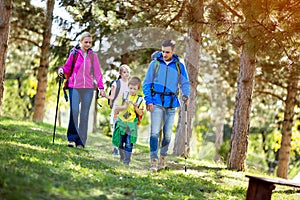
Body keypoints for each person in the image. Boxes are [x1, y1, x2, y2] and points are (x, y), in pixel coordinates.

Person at [142, 39, 190, 172]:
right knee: (154, 132)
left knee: (167, 134)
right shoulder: (155, 63)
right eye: (163, 51)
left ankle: (163, 157)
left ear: (173, 52)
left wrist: (186, 95)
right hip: (156, 101)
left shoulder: (179, 65)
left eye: (167, 52)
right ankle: (153, 161)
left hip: (171, 103)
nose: (164, 54)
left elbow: (185, 83)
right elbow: (147, 83)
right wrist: (149, 100)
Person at [58, 31, 105, 149]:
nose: (88, 44)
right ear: (81, 41)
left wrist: (101, 88)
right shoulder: (74, 53)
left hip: (88, 89)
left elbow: (98, 73)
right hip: (74, 86)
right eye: (86, 42)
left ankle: (81, 141)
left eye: (90, 42)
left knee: (84, 114)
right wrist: (61, 70)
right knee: (74, 112)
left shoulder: (93, 56)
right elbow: (67, 67)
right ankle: (72, 139)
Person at [112, 76, 144, 165]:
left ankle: (126, 161)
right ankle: (122, 157)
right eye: (131, 88)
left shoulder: (139, 99)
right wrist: (125, 106)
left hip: (131, 124)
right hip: (121, 122)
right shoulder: (124, 96)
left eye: (135, 89)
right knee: (120, 142)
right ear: (128, 87)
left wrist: (136, 107)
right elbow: (117, 108)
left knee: (129, 143)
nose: (132, 90)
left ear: (138, 89)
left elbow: (140, 113)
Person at [106, 64, 131, 155]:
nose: (126, 74)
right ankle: (115, 148)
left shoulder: (130, 85)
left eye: (128, 72)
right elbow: (112, 98)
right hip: (116, 109)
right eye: (124, 72)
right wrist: (111, 105)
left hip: (125, 110)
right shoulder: (116, 83)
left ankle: (121, 147)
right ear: (120, 73)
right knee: (115, 128)